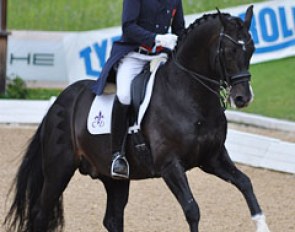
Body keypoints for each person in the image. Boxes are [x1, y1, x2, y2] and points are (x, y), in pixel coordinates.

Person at [92, 0, 185, 179]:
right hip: (135, 54)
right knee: (125, 95)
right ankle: (117, 155)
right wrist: (156, 39)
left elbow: (179, 28)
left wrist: (180, 43)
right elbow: (128, 27)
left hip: (161, 57)